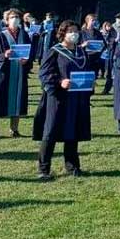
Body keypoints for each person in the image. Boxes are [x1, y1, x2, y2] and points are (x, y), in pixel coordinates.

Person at [33, 21, 93, 180]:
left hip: (76, 97)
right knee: (51, 132)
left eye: (76, 31)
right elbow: (44, 73)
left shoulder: (81, 52)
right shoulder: (55, 51)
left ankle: (72, 166)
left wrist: (90, 82)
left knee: (72, 131)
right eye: (70, 31)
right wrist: (60, 82)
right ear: (63, 33)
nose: (74, 34)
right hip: (58, 98)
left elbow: (86, 70)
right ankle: (43, 169)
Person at [0, 9, 32, 139]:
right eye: (12, 17)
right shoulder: (0, 36)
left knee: (17, 99)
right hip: (3, 73)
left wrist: (26, 60)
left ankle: (14, 129)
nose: (15, 19)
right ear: (6, 20)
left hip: (19, 72)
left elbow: (30, 52)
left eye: (17, 17)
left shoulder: (24, 35)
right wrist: (3, 55)